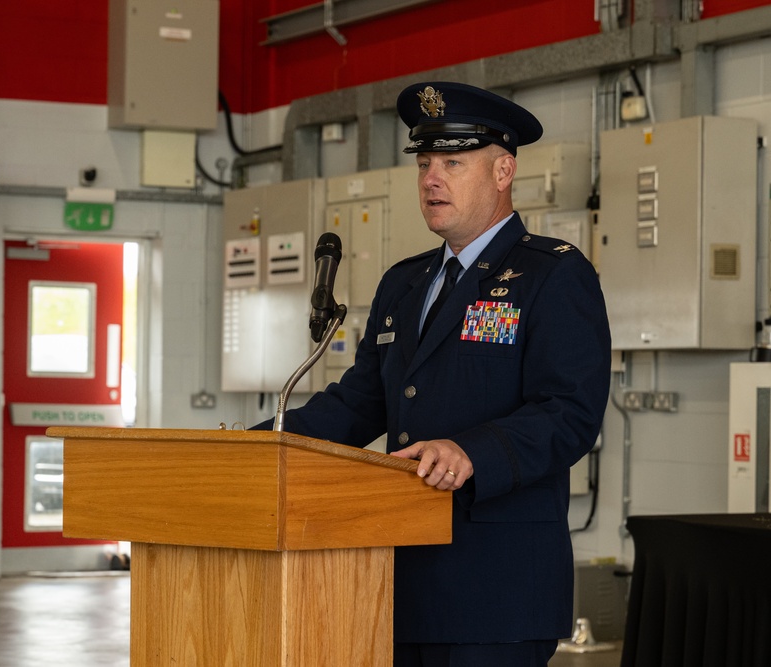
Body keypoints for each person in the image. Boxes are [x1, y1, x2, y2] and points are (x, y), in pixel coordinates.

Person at [255, 82, 612, 666]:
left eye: (452, 161)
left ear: (503, 172)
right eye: (423, 162)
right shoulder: (404, 281)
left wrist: (473, 451)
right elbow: (360, 403)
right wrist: (261, 443)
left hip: (496, 591)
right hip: (399, 582)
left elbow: (569, 414)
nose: (430, 178)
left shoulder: (552, 276)